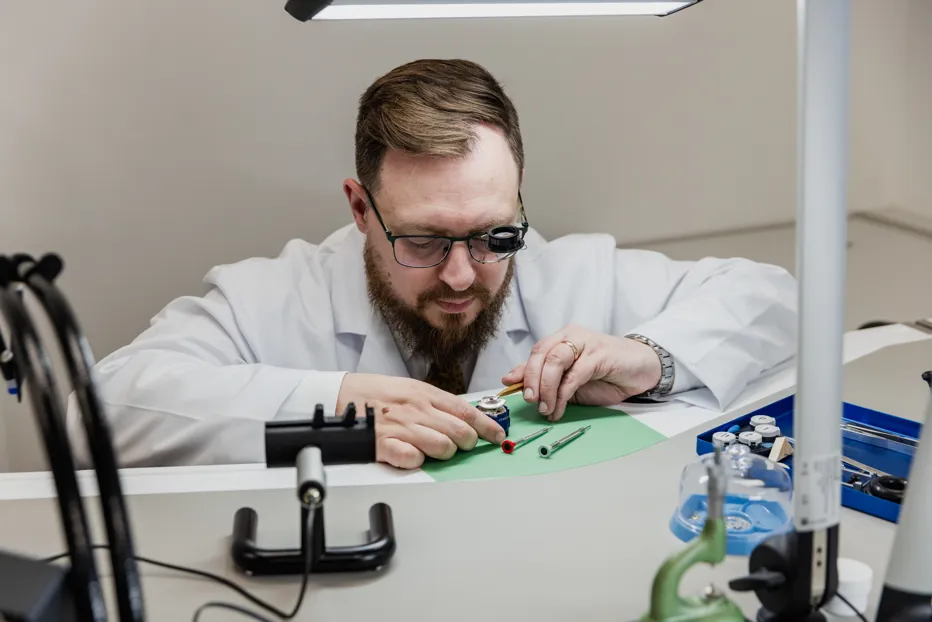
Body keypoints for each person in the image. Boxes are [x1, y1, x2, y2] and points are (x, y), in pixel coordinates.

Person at [68, 59, 798, 470]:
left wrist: (651, 357)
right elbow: (97, 411)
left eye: (491, 235)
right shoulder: (272, 298)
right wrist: (337, 407)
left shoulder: (569, 272)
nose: (461, 275)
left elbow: (777, 298)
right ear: (361, 209)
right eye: (422, 241)